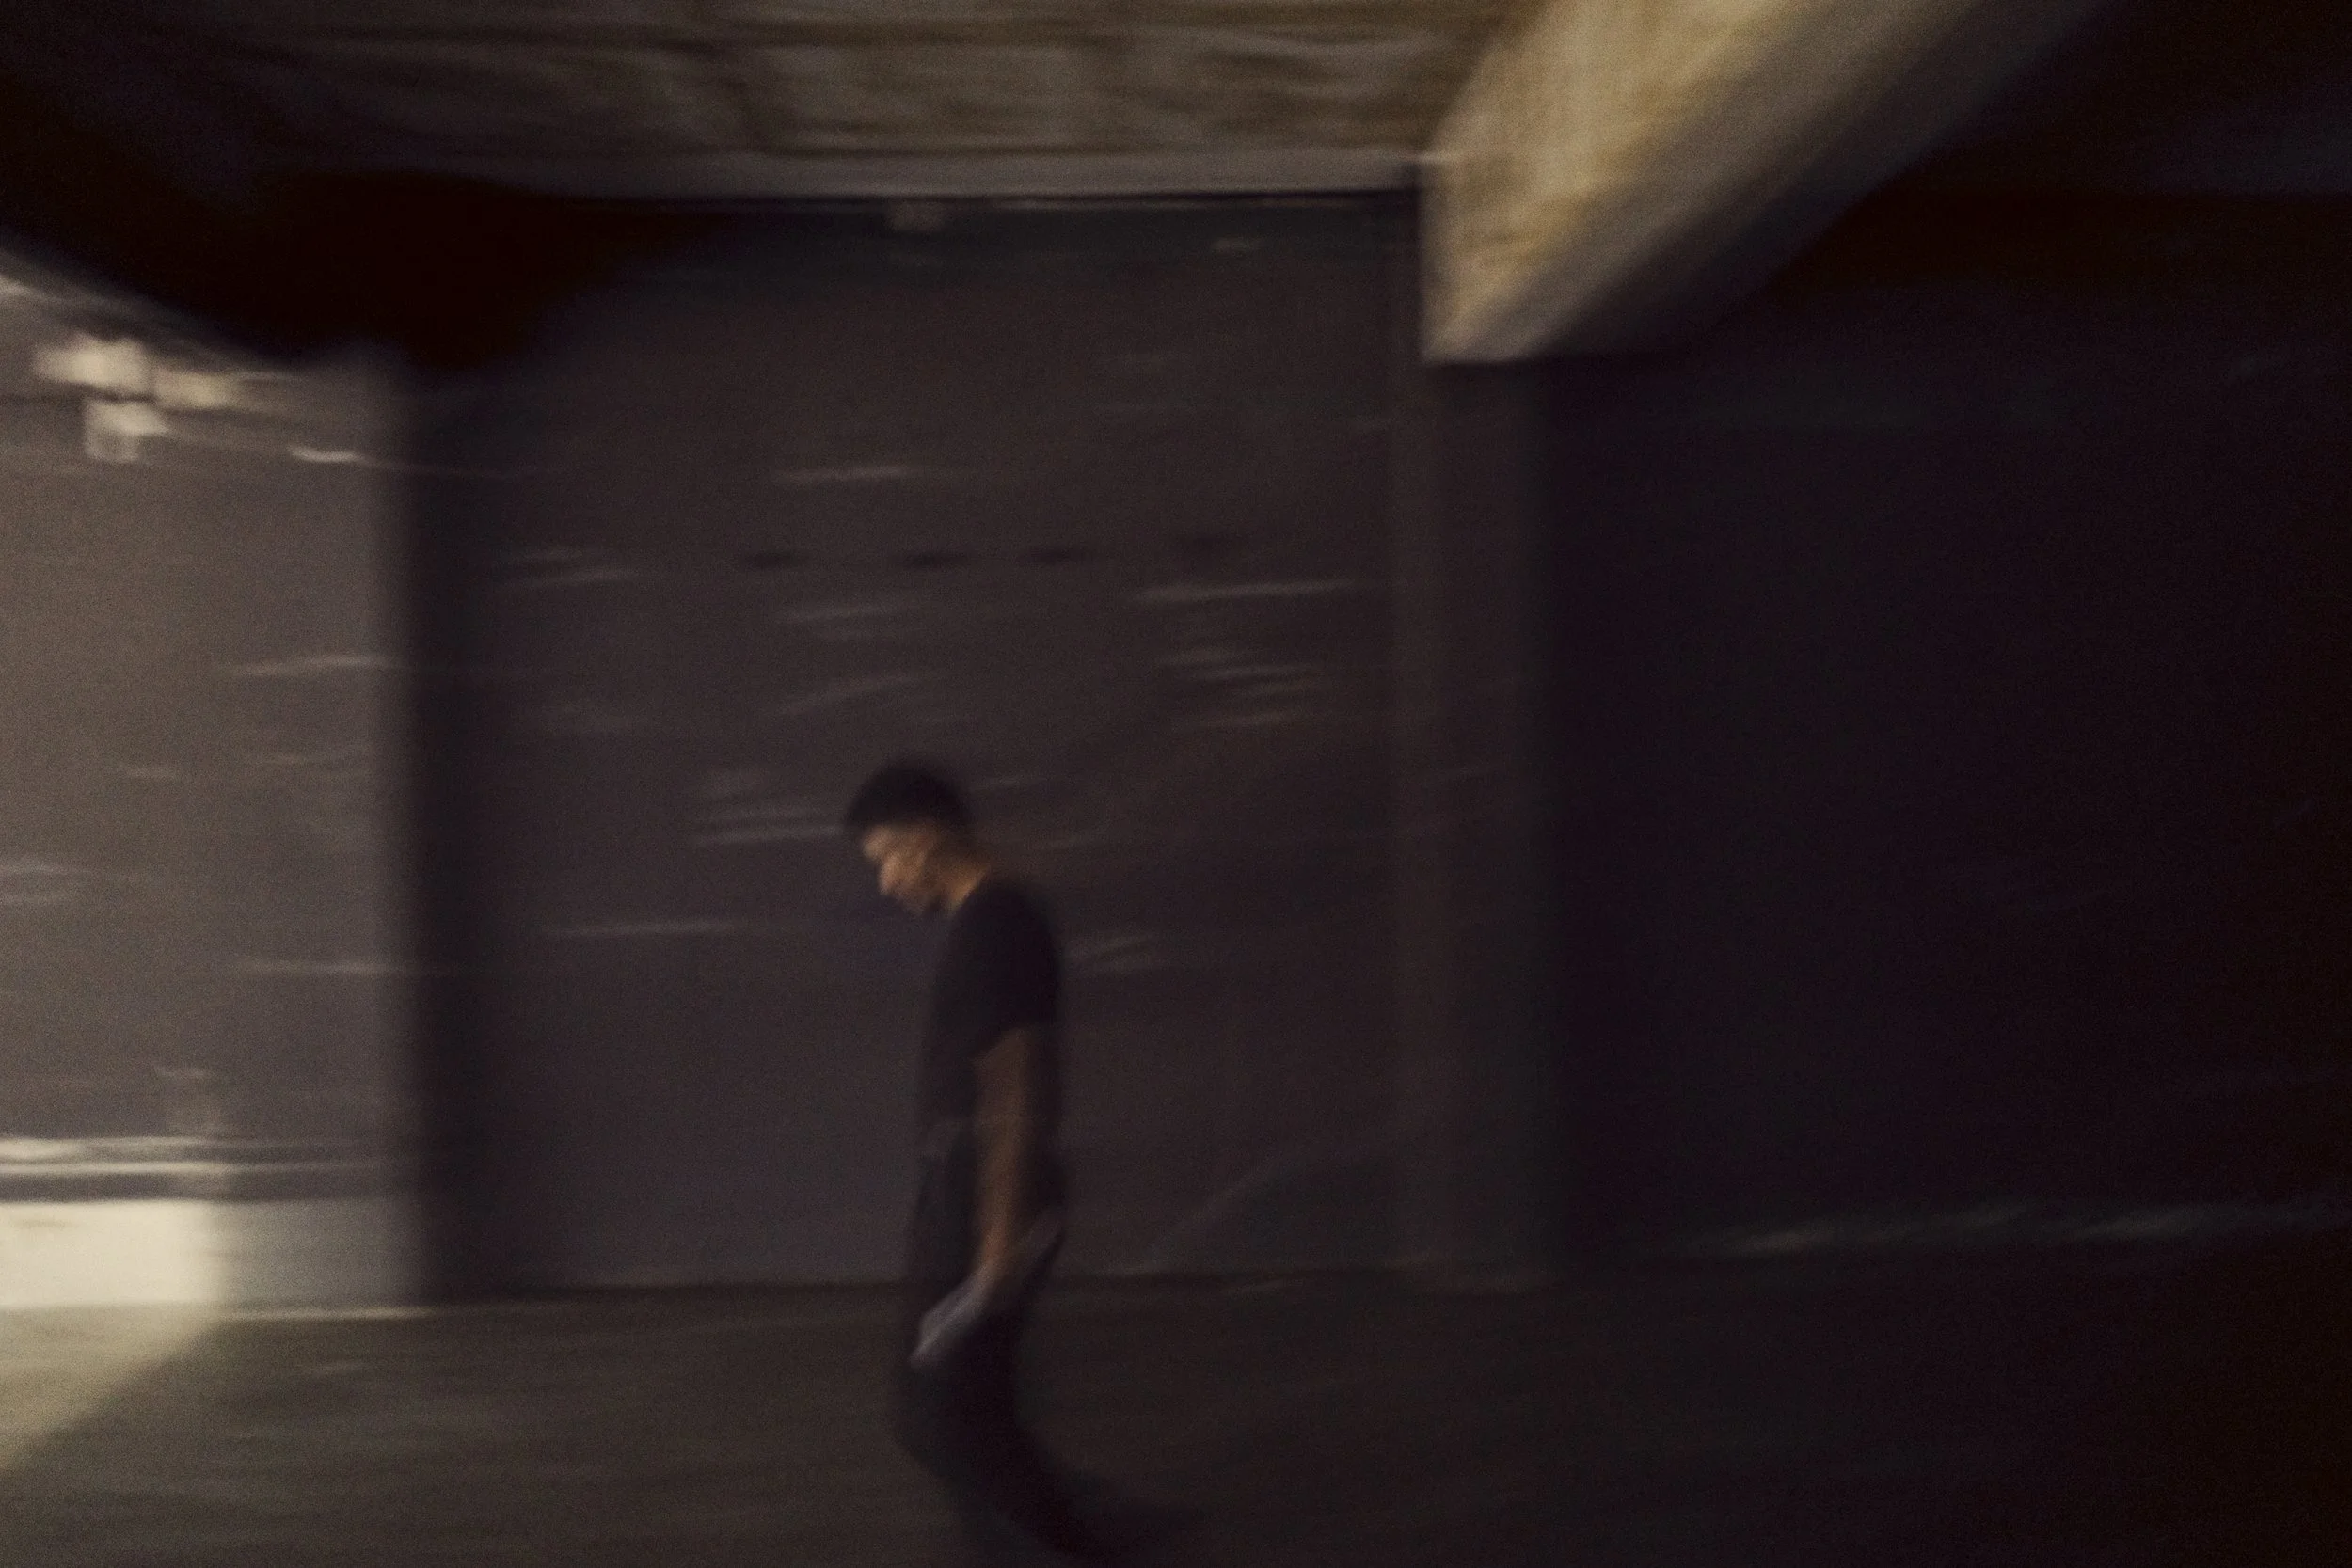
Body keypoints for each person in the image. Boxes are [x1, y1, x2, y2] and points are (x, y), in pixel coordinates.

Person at [844, 760, 1111, 1564]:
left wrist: (998, 1237)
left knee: (940, 1412)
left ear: (928, 837)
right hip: (965, 1189)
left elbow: (1016, 1079)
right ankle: (1089, 1534)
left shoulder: (998, 922)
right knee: (965, 1410)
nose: (888, 882)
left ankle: (1082, 1541)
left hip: (984, 1197)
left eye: (890, 858)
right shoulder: (991, 917)